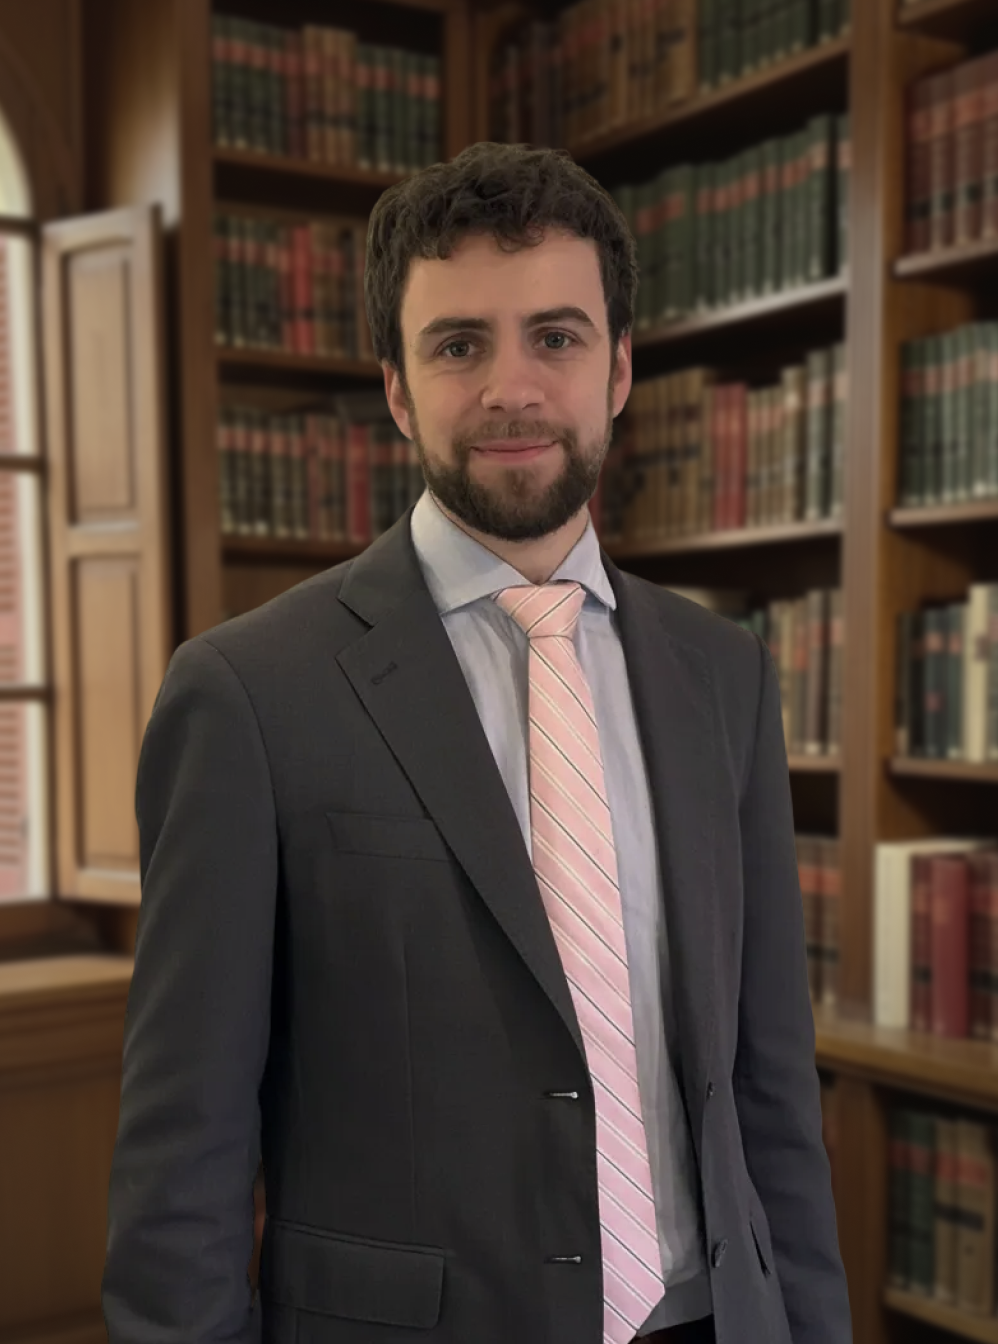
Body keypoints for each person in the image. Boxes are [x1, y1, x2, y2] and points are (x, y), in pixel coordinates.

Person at [102, 142, 851, 1344]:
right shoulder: (245, 694)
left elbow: (768, 1088)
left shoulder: (725, 676)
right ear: (396, 388)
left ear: (616, 370)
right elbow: (182, 1153)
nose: (511, 387)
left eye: (554, 338)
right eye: (458, 345)